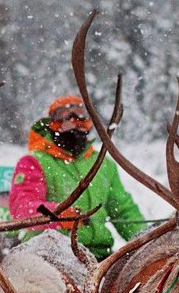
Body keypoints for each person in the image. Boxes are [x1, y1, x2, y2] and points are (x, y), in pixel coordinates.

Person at [8, 95, 146, 261]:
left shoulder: (103, 163)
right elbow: (22, 208)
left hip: (99, 255)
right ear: (53, 123)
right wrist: (59, 214)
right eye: (67, 116)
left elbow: (124, 210)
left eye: (82, 116)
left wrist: (146, 239)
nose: (76, 123)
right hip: (48, 254)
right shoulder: (33, 162)